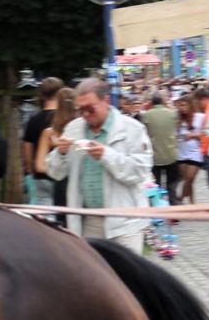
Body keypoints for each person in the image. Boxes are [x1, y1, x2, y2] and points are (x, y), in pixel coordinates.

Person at [43, 77, 154, 216]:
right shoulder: (73, 128)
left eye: (90, 108)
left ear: (105, 101)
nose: (85, 114)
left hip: (125, 220)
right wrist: (60, 153)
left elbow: (140, 172)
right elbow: (55, 172)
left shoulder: (133, 129)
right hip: (87, 219)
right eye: (80, 109)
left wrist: (106, 155)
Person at [22, 77, 65, 207]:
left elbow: (27, 149)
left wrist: (31, 169)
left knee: (43, 213)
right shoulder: (64, 118)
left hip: (40, 176)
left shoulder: (33, 120)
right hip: (61, 175)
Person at [140, 91, 181, 201]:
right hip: (171, 154)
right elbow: (176, 129)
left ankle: (158, 210)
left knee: (155, 186)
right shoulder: (172, 114)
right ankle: (173, 209)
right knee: (172, 185)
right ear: (163, 101)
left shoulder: (146, 115)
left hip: (154, 156)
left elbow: (144, 134)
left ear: (152, 102)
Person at [176, 87, 209, 205]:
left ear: (190, 105)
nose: (182, 108)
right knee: (188, 181)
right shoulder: (178, 120)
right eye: (180, 106)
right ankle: (192, 204)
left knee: (189, 178)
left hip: (196, 152)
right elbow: (175, 135)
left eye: (184, 105)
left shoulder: (200, 117)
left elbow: (205, 134)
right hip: (181, 152)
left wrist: (193, 136)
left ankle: (179, 198)